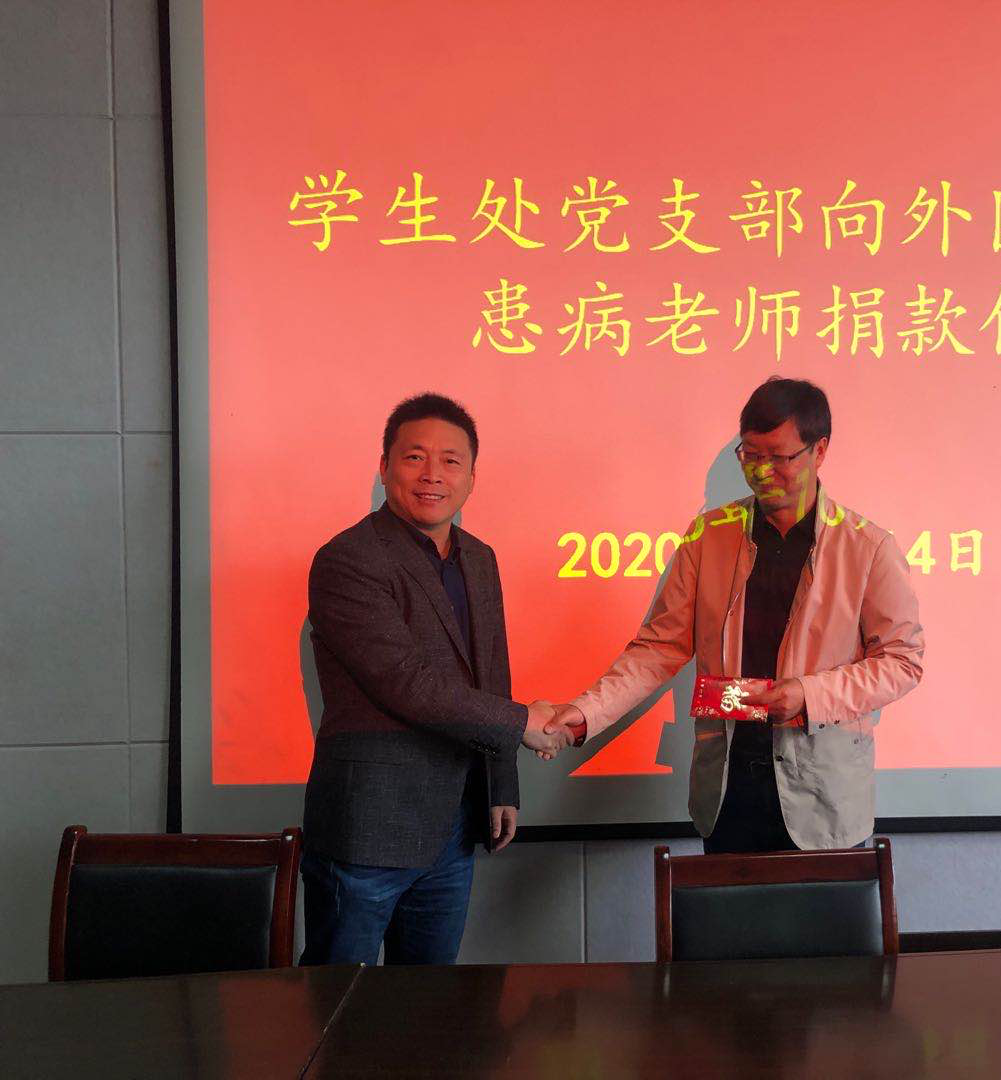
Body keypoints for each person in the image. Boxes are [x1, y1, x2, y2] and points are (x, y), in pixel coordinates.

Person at [549, 377, 924, 852]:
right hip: (727, 791)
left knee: (823, 905)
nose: (762, 471)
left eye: (779, 457)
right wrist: (585, 713)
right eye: (750, 455)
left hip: (822, 799)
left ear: (820, 450)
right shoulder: (709, 537)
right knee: (724, 902)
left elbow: (902, 661)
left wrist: (809, 695)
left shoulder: (867, 547)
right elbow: (658, 649)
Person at [300, 392, 575, 965]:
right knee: (335, 1002)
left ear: (472, 477)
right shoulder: (348, 559)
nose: (433, 475)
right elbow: (406, 682)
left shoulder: (480, 558)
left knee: (430, 1001)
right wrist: (524, 722)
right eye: (414, 457)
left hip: (454, 823)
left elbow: (492, 673)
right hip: (369, 828)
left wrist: (501, 784)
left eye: (451, 461)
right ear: (384, 467)